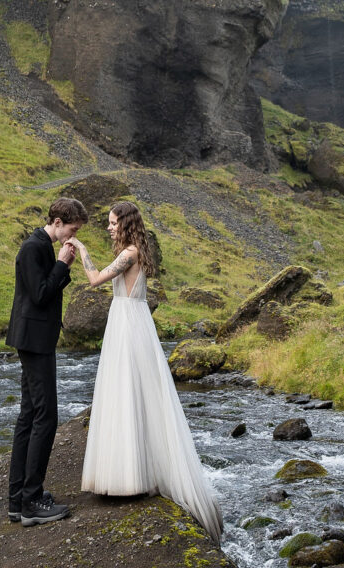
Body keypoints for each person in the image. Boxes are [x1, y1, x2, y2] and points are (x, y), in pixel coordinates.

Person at [69, 201, 223, 544]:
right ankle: (131, 471)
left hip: (128, 325)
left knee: (127, 391)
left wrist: (80, 249)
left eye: (112, 223)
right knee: (132, 392)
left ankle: (129, 476)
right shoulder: (135, 251)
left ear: (125, 223)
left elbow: (94, 280)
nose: (108, 227)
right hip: (132, 322)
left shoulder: (129, 253)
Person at [6, 196, 88, 526]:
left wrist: (60, 264)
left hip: (36, 340)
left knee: (29, 416)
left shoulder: (41, 245)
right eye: (72, 229)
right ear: (56, 223)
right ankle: (31, 501)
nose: (73, 236)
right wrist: (64, 264)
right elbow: (40, 295)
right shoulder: (33, 247)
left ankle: (18, 500)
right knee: (45, 417)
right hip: (34, 341)